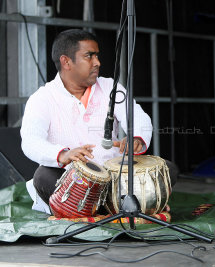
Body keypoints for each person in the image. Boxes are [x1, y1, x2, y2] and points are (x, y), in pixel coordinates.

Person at [20, 29, 171, 213]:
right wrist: (62, 155)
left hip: (115, 180)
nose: (97, 62)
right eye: (89, 56)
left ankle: (99, 209)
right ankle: (123, 207)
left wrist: (137, 138)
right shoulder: (42, 98)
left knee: (168, 169)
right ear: (66, 61)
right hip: (75, 182)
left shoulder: (110, 87)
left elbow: (138, 117)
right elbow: (30, 141)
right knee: (44, 176)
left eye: (97, 56)